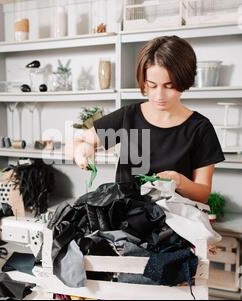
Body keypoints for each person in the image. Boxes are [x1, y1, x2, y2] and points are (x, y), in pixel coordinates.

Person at [65, 36, 225, 204]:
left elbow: (202, 194)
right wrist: (81, 150)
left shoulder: (199, 128)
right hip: (126, 222)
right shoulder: (130, 116)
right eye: (152, 85)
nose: (159, 95)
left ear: (184, 80)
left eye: (169, 86)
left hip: (175, 221)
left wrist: (178, 181)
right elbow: (77, 141)